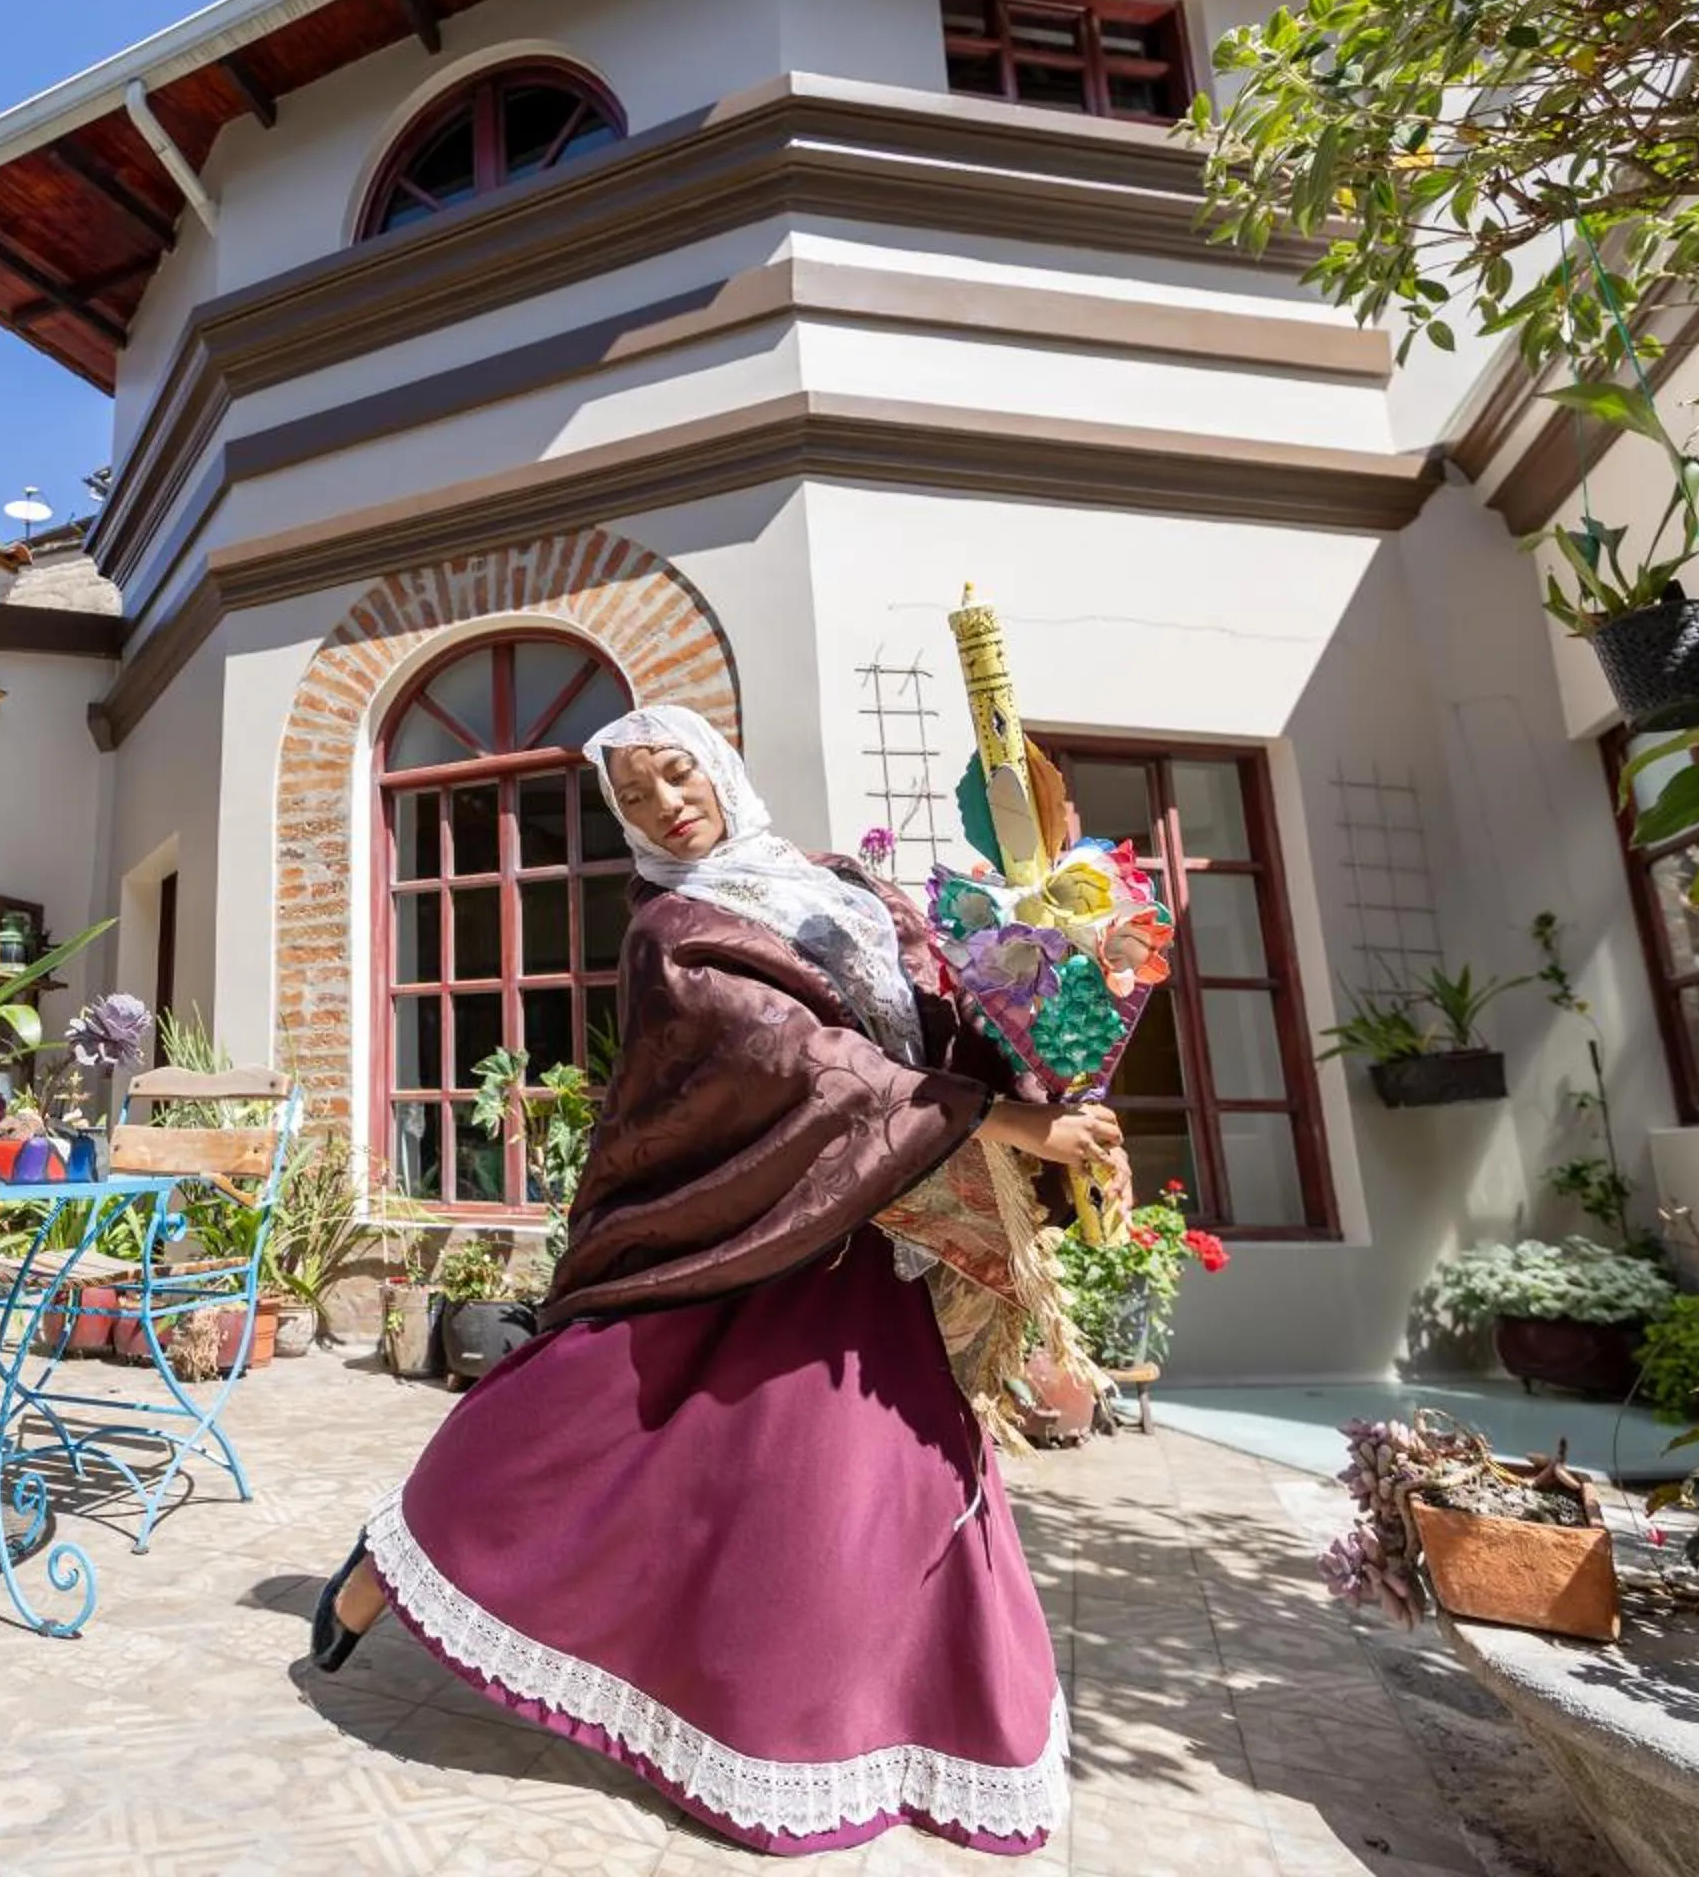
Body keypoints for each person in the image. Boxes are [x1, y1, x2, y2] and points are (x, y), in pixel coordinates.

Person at [305, 703, 1121, 1858]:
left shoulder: (838, 880)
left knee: (868, 1506)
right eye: (634, 799)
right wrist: (1001, 1118)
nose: (663, 807)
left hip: (862, 1236)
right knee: (565, 1421)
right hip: (728, 1234)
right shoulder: (672, 930)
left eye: (675, 777)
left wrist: (1033, 1003)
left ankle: (884, 1728)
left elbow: (924, 1014)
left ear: (722, 769)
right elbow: (793, 1061)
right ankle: (387, 1567)